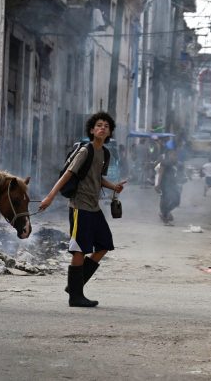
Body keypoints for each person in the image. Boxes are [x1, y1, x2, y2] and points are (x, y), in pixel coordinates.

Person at [39, 111, 126, 308]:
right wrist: (50, 197)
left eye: (106, 126)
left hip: (94, 207)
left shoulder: (105, 153)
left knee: (104, 244)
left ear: (110, 131)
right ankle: (75, 296)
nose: (102, 128)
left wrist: (114, 187)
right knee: (79, 249)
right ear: (92, 129)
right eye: (99, 125)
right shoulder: (85, 151)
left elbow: (98, 177)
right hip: (79, 206)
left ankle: (74, 286)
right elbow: (68, 174)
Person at [155, 150, 181, 225]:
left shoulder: (175, 163)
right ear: (169, 155)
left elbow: (177, 173)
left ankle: (165, 213)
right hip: (165, 184)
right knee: (165, 200)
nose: (175, 157)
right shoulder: (165, 163)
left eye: (176, 155)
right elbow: (160, 173)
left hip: (173, 184)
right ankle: (165, 217)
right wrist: (158, 184)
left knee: (177, 201)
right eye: (173, 155)